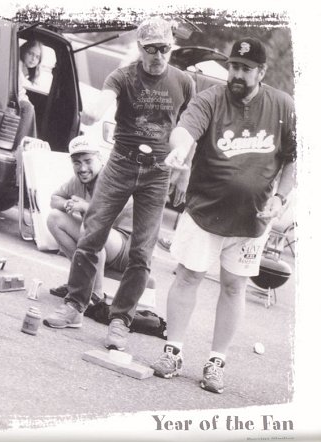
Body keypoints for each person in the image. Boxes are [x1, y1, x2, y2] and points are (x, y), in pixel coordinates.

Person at [151, 37, 296, 394]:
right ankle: (173, 351)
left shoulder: (281, 106)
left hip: (252, 220)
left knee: (234, 287)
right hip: (205, 211)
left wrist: (281, 198)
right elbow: (185, 129)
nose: (237, 74)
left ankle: (216, 361)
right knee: (188, 276)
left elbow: (295, 156)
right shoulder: (211, 97)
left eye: (246, 69)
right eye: (234, 66)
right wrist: (179, 150)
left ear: (261, 72)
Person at [43, 17, 194, 351]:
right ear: (140, 48)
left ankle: (120, 321)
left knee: (143, 251)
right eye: (151, 49)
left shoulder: (183, 82)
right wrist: (95, 113)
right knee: (92, 233)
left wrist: (185, 170)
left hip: (157, 173)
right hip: (121, 164)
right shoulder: (122, 76)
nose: (158, 56)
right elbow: (98, 107)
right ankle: (74, 305)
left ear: (173, 48)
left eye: (164, 49)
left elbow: (189, 128)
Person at [47, 135, 135, 303]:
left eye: (88, 160)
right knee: (54, 218)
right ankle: (80, 281)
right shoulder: (79, 180)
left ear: (100, 159)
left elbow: (112, 212)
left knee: (92, 226)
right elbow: (54, 199)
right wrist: (69, 204)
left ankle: (97, 294)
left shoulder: (112, 177)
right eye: (77, 162)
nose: (83, 168)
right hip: (104, 240)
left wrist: (84, 206)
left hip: (126, 246)